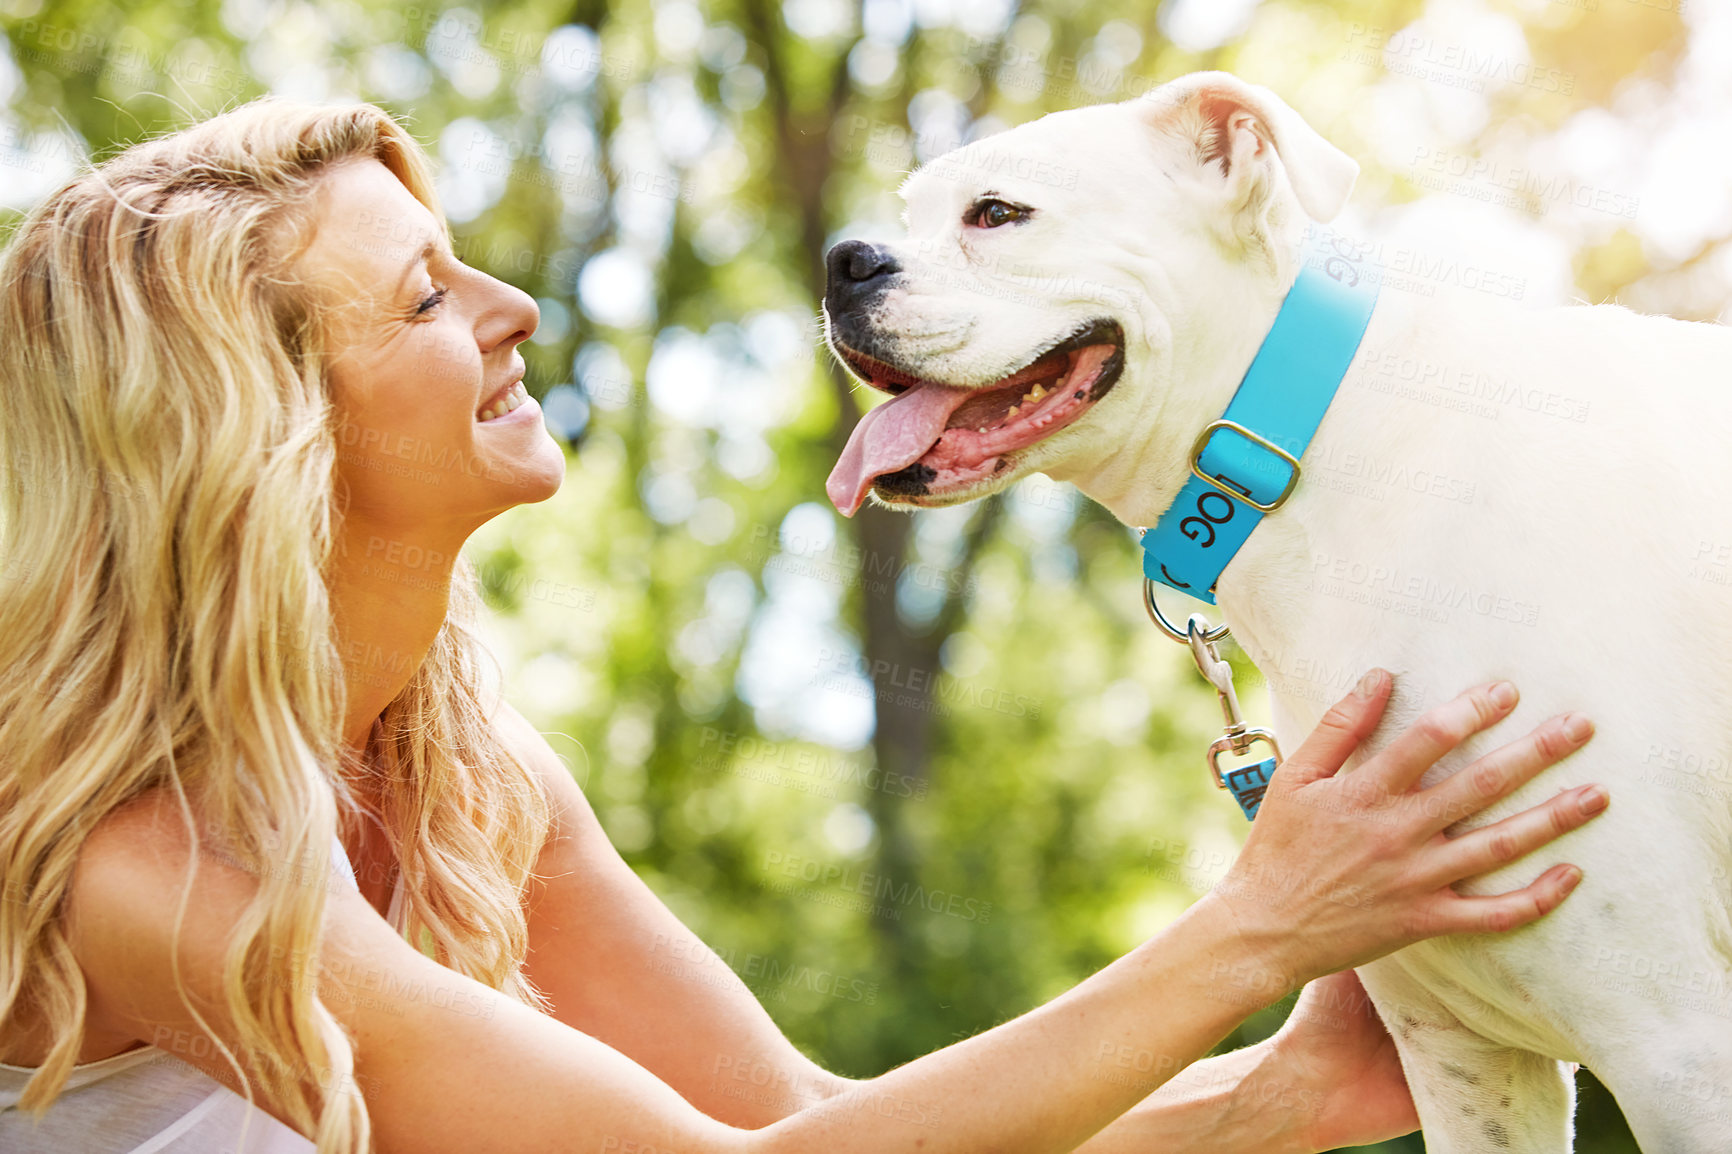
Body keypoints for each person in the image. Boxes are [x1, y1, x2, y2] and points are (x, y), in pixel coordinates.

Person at [0, 96, 1608, 1154]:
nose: (516, 308)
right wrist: (1254, 927)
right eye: (427, 297)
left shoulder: (463, 773)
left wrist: (1285, 1086)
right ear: (252, 437)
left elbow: (816, 1118)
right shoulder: (149, 860)